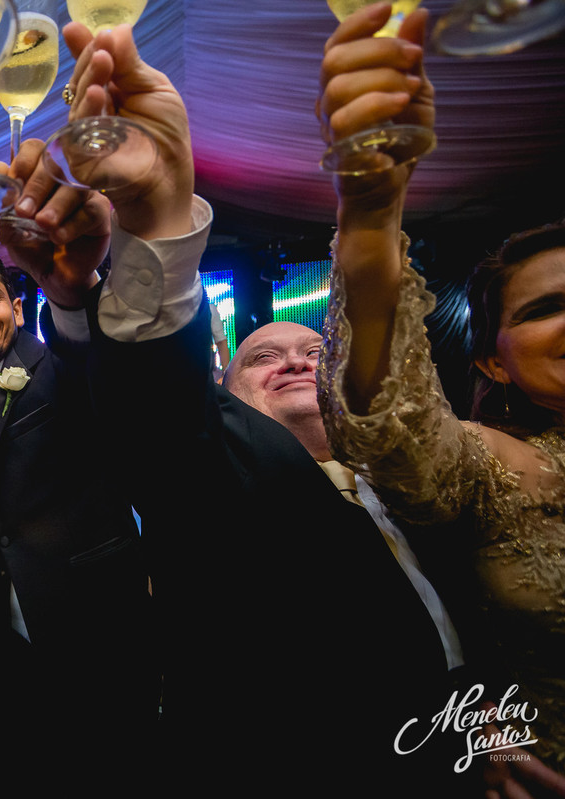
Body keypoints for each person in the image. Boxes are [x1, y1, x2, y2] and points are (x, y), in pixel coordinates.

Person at [3, 18, 480, 796]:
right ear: (222, 392)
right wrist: (151, 224)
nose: (295, 358)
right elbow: (161, 425)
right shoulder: (225, 475)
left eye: (312, 353)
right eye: (263, 355)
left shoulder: (437, 478)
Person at [317, 1, 565, 784]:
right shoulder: (501, 466)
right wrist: (371, 215)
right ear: (493, 365)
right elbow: (394, 432)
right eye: (544, 309)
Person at [0, 233, 156, 794]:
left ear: (16, 305)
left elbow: (97, 355)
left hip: (103, 635)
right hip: (9, 658)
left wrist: (75, 295)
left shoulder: (64, 368)